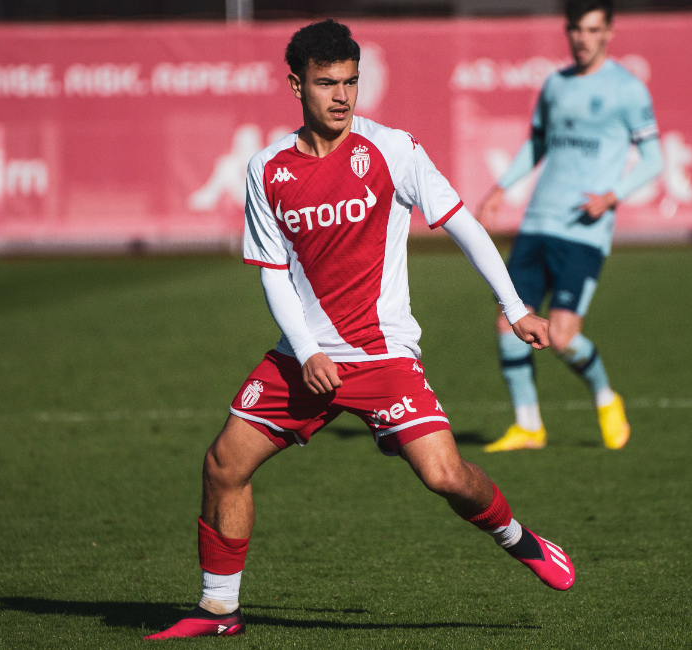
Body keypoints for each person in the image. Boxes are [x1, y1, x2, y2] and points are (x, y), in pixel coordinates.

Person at [145, 19, 575, 640]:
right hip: (304, 358)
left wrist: (515, 306)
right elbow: (273, 275)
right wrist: (307, 350)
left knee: (445, 477)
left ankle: (518, 538)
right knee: (223, 465)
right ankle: (219, 610)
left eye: (350, 82)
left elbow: (463, 225)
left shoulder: (392, 150)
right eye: (327, 83)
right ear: (297, 85)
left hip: (382, 356)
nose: (342, 95)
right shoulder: (267, 169)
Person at [476, 0, 663, 453]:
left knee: (561, 336)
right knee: (508, 323)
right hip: (537, 222)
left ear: (609, 32)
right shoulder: (555, 85)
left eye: (593, 29)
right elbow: (537, 143)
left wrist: (611, 197)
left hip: (583, 230)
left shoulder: (627, 89)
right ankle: (528, 426)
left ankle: (605, 397)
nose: (583, 38)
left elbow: (654, 159)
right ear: (568, 31)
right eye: (577, 29)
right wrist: (501, 187)